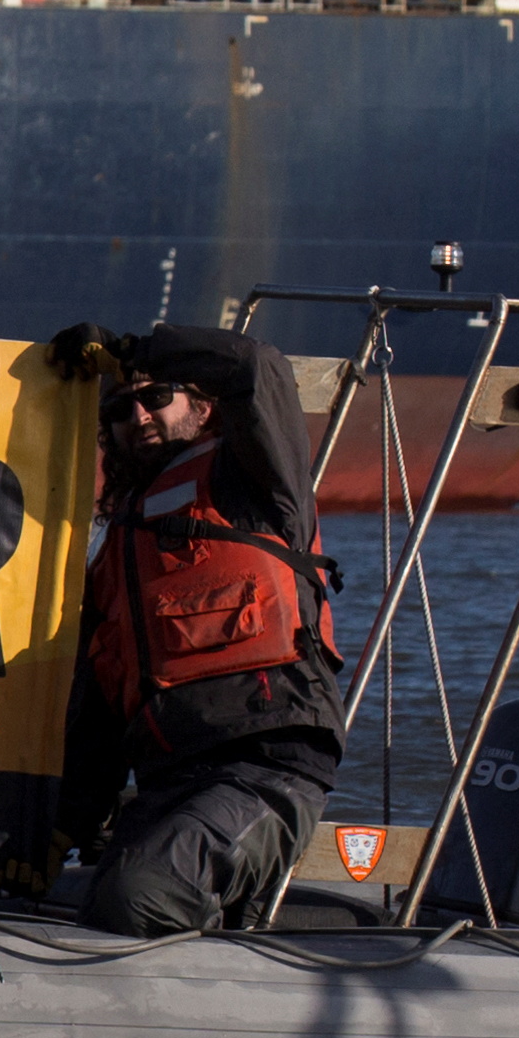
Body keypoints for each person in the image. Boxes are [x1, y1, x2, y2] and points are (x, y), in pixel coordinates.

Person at [37, 321, 344, 934]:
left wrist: (134, 351)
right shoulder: (115, 561)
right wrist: (55, 832)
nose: (139, 416)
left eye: (156, 397)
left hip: (263, 768)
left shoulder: (252, 480)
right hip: (168, 779)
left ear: (203, 405)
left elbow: (259, 366)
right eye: (121, 408)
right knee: (86, 895)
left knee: (139, 895)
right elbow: (99, 720)